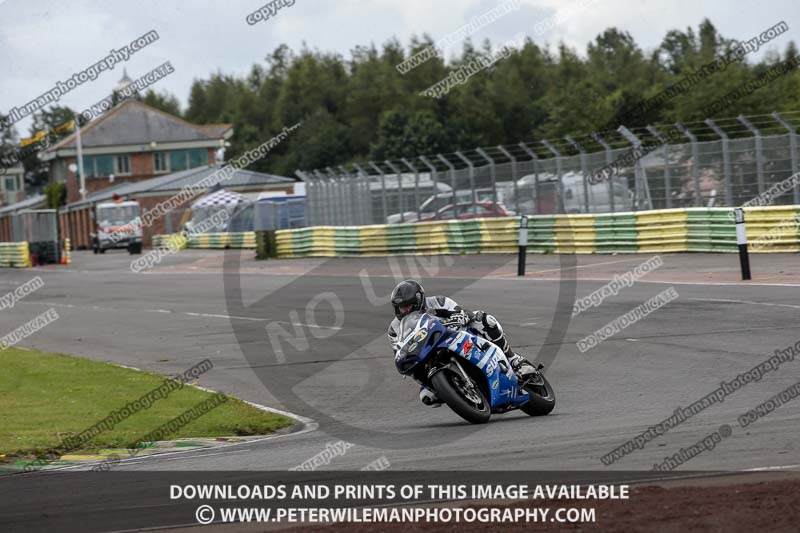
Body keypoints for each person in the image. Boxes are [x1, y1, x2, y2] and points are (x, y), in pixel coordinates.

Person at [387, 279, 537, 406]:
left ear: (418, 301)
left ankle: (514, 360)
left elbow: (460, 311)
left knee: (484, 319)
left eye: (407, 306)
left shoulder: (437, 302)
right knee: (427, 397)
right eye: (400, 307)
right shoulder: (394, 329)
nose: (404, 311)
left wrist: (460, 316)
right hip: (427, 353)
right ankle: (458, 391)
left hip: (455, 336)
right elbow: (398, 350)